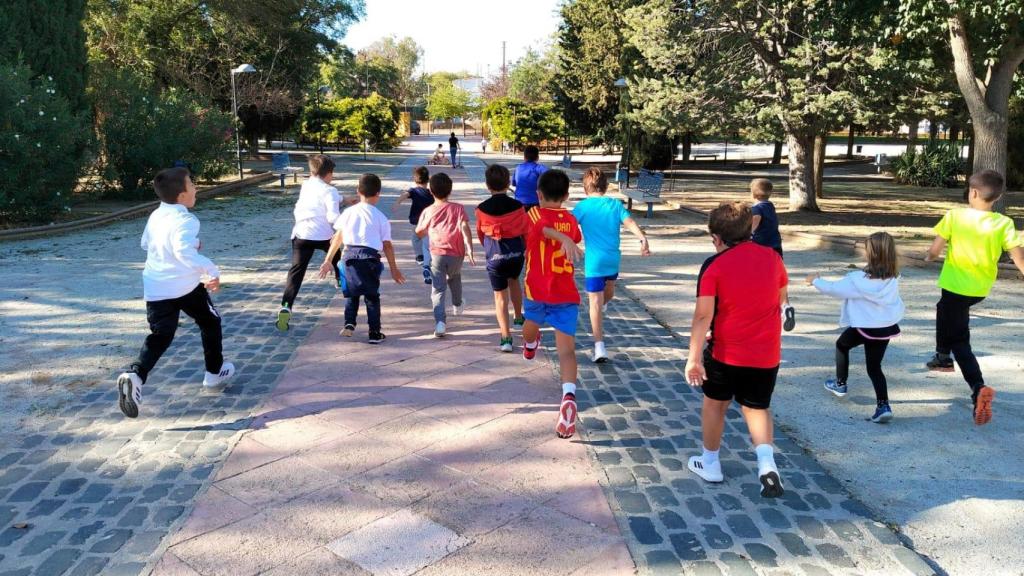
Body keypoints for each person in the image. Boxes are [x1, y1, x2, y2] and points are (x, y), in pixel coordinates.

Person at [685, 201, 787, 498]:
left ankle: (710, 461)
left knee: (715, 403)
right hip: (766, 353)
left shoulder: (714, 266)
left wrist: (693, 358)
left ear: (717, 238)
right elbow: (781, 298)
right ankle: (767, 464)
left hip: (725, 352)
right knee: (757, 407)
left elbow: (703, 315)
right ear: (749, 229)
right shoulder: (773, 258)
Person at [116, 167, 235, 419]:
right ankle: (214, 374)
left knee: (161, 335)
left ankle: (135, 375)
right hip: (185, 286)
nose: (196, 188)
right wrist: (211, 270)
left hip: (156, 286)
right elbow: (183, 251)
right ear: (182, 196)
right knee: (210, 322)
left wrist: (185, 247)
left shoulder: (156, 215)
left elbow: (145, 244)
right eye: (192, 185)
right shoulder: (187, 219)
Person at [924, 169, 1024, 425]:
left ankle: (977, 387)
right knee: (943, 308)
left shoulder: (955, 216)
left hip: (956, 286)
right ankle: (942, 357)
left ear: (974, 193)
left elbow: (935, 249)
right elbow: (1018, 256)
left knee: (961, 340)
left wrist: (930, 257)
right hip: (979, 289)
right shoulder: (1004, 223)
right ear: (997, 197)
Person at [808, 232, 904, 423]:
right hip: (884, 327)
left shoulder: (858, 280)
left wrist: (815, 280)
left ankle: (840, 383)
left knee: (842, 345)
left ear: (871, 254)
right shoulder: (893, 278)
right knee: (875, 367)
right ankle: (883, 405)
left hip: (864, 326)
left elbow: (833, 289)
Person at [520, 169, 585, 439]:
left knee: (529, 326)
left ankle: (530, 344)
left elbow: (542, 228)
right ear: (567, 196)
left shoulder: (534, 213)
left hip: (537, 291)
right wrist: (566, 236)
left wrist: (561, 238)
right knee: (567, 352)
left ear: (538, 194)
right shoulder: (570, 219)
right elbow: (567, 234)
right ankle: (568, 396)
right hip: (565, 294)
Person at [573, 167, 651, 363]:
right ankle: (603, 306)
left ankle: (599, 346)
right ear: (606, 187)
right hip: (612, 259)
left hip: (594, 262)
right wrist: (642, 238)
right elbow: (630, 222)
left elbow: (569, 226)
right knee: (609, 291)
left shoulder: (582, 207)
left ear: (585, 189)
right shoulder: (615, 205)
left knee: (595, 304)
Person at [318, 173, 406, 343]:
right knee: (372, 296)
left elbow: (338, 237)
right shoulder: (381, 217)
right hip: (370, 259)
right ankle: (374, 332)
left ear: (358, 191)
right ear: (378, 194)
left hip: (349, 257)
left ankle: (349, 323)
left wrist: (328, 260)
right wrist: (394, 269)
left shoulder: (349, 212)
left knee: (352, 293)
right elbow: (387, 245)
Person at [276, 154, 353, 332]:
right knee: (338, 257)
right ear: (329, 174)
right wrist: (347, 224)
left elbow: (323, 198)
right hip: (323, 235)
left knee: (295, 273)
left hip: (301, 235)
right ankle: (341, 283)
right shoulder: (330, 191)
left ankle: (286, 305)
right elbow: (332, 216)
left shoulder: (306, 185)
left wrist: (345, 199)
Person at [476, 163, 529, 351]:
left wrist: (489, 248)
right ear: (508, 184)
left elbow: (481, 233)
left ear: (487, 185)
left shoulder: (481, 209)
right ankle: (518, 316)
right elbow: (525, 230)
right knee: (514, 280)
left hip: (495, 256)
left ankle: (506, 337)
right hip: (516, 253)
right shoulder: (518, 206)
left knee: (499, 296)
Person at [416, 172, 475, 337]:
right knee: (455, 277)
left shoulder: (428, 210)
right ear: (450, 191)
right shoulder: (458, 208)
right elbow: (464, 227)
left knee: (438, 288)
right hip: (456, 253)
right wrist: (469, 247)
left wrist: (426, 231)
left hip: (437, 253)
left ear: (431, 191)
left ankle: (440, 322)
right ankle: (457, 304)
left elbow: (419, 231)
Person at [750, 178, 795, 332]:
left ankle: (759, 309)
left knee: (758, 279)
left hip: (761, 249)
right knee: (778, 278)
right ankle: (785, 306)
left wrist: (748, 233)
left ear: (753, 194)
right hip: (776, 246)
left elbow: (755, 222)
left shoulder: (756, 209)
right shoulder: (770, 206)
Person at [393, 166, 435, 285]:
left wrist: (397, 202)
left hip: (416, 222)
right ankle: (426, 264)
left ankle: (419, 257)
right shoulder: (431, 192)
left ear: (415, 180)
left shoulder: (413, 191)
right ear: (428, 180)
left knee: (416, 238)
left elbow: (404, 195)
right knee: (427, 244)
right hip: (428, 222)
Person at [512, 145, 548, 210]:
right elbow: (550, 178)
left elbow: (514, 183)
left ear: (524, 157)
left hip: (519, 202)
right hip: (535, 203)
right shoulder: (540, 168)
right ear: (537, 158)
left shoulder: (518, 168)